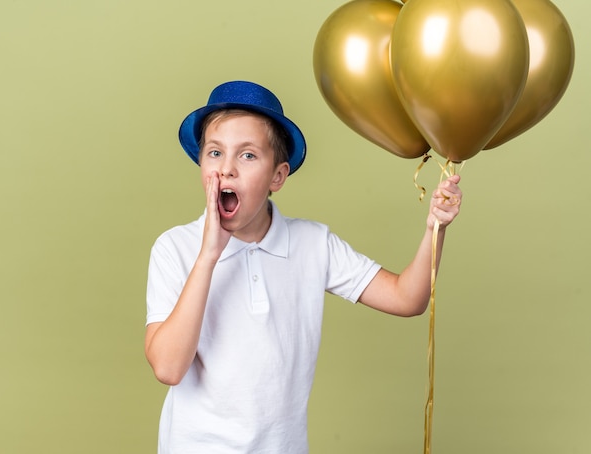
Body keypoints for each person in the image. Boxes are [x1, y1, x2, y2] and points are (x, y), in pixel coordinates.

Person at [145, 80, 462, 453]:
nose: (226, 169)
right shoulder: (175, 248)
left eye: (247, 156)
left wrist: (434, 228)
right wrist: (209, 254)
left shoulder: (314, 245)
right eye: (215, 152)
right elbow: (168, 368)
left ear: (277, 177)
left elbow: (408, 298)